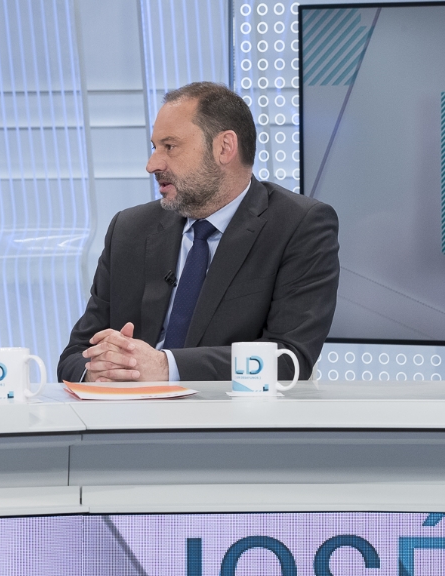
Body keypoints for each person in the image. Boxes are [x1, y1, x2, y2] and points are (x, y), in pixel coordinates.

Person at [58, 82, 339, 383]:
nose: (152, 165)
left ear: (224, 147)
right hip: (130, 410)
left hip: (229, 412)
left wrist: (166, 367)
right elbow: (75, 355)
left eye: (170, 147)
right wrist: (98, 370)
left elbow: (289, 359)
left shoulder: (299, 226)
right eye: (154, 148)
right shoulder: (129, 229)